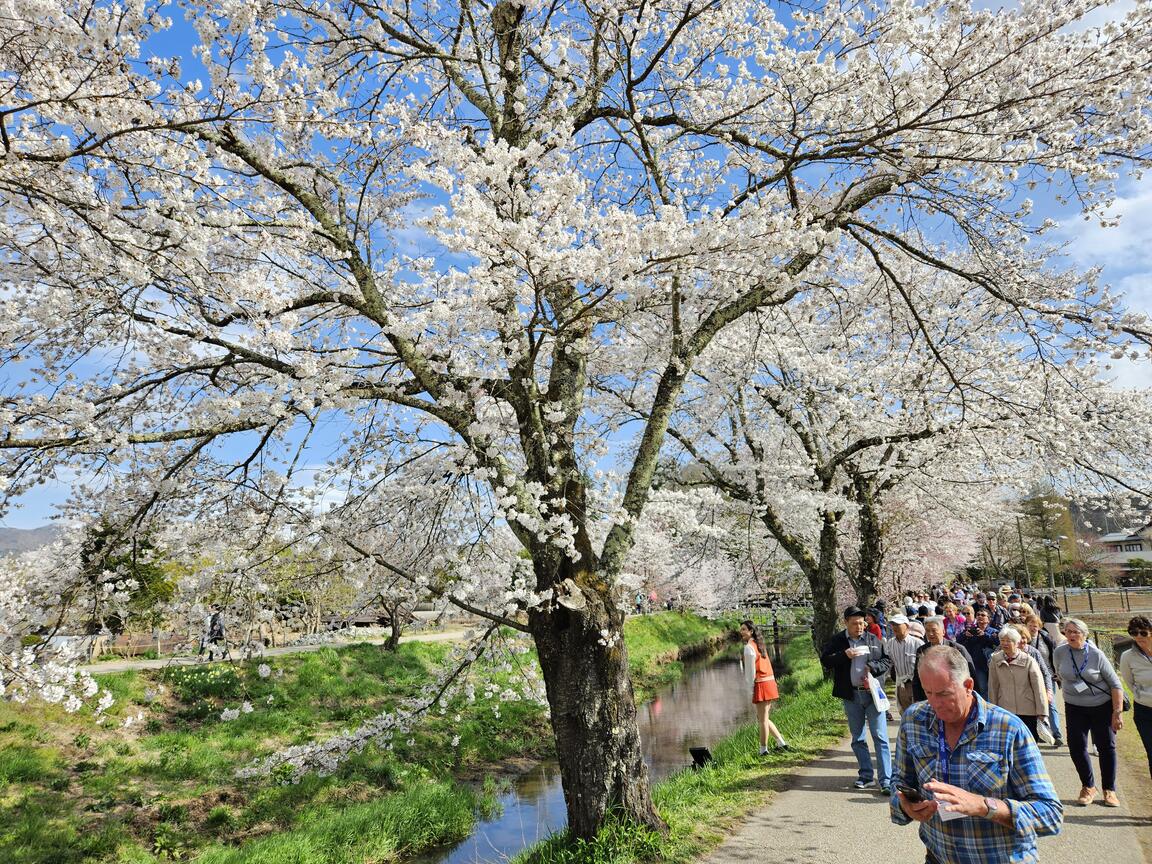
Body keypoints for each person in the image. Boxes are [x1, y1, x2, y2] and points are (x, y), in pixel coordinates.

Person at [890, 645, 1062, 864]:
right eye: (928, 693)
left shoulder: (1009, 729)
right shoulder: (914, 720)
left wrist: (984, 806)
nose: (935, 704)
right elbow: (900, 782)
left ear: (968, 686)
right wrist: (905, 806)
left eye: (944, 694)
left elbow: (1050, 815)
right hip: (937, 858)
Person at [820, 605, 894, 793]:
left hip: (872, 694)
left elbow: (886, 661)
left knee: (880, 736)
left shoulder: (873, 639)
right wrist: (844, 656)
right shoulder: (838, 640)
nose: (859, 627)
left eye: (862, 623)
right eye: (855, 624)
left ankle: (886, 780)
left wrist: (873, 667)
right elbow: (826, 660)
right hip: (851, 694)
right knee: (858, 737)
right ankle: (866, 775)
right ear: (846, 623)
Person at [1052, 617, 1125, 807]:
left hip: (1101, 706)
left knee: (1106, 747)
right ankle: (1088, 786)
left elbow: (1116, 684)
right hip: (1074, 706)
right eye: (1068, 631)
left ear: (1084, 634)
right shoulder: (1060, 652)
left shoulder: (1096, 654)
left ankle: (1109, 789)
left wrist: (1117, 712)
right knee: (1076, 746)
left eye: (1076, 632)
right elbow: (1059, 673)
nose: (1071, 635)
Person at [988, 625, 1047, 739]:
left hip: (1028, 709)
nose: (1004, 644)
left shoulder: (1028, 660)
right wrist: (993, 709)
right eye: (1002, 641)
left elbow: (1038, 686)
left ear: (1016, 643)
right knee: (1008, 742)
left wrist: (1042, 711)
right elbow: (993, 686)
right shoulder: (995, 659)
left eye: (1008, 641)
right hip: (1005, 709)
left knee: (1029, 741)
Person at [739, 619, 788, 754]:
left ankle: (763, 750)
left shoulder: (749, 647)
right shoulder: (759, 644)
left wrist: (750, 687)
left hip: (761, 683)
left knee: (762, 720)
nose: (741, 632)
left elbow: (750, 673)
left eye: (744, 629)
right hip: (769, 681)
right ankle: (781, 743)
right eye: (741, 629)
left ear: (751, 631)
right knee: (763, 718)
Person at [1119, 614, 1152, 780]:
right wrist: (1143, 696)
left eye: (1143, 633)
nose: (1138, 636)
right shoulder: (1127, 656)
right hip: (1145, 712)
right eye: (1134, 632)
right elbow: (1129, 682)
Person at [1021, 613, 1062, 745]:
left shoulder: (1046, 638)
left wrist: (1057, 672)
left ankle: (1057, 734)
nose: (1033, 628)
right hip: (1029, 678)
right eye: (1030, 625)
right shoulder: (1022, 640)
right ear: (1026, 626)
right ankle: (1041, 733)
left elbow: (1054, 655)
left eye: (1036, 626)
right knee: (1034, 706)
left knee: (1050, 704)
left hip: (1047, 675)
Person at [913, 617, 976, 702]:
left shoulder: (957, 649)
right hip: (930, 696)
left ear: (943, 631)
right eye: (927, 631)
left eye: (934, 630)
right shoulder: (922, 651)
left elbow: (970, 673)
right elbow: (917, 676)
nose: (930, 634)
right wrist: (918, 700)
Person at [885, 614, 924, 717]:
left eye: (898, 624)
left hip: (916, 685)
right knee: (905, 715)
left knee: (918, 714)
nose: (895, 627)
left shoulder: (917, 643)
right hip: (901, 685)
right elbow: (889, 662)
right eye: (893, 624)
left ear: (906, 626)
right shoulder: (890, 643)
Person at [957, 609, 999, 698]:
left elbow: (998, 642)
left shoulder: (993, 631)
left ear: (989, 619)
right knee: (982, 688)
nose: (980, 616)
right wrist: (965, 635)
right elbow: (958, 642)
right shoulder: (970, 630)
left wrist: (985, 635)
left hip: (992, 664)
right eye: (978, 615)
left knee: (994, 688)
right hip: (978, 665)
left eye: (983, 615)